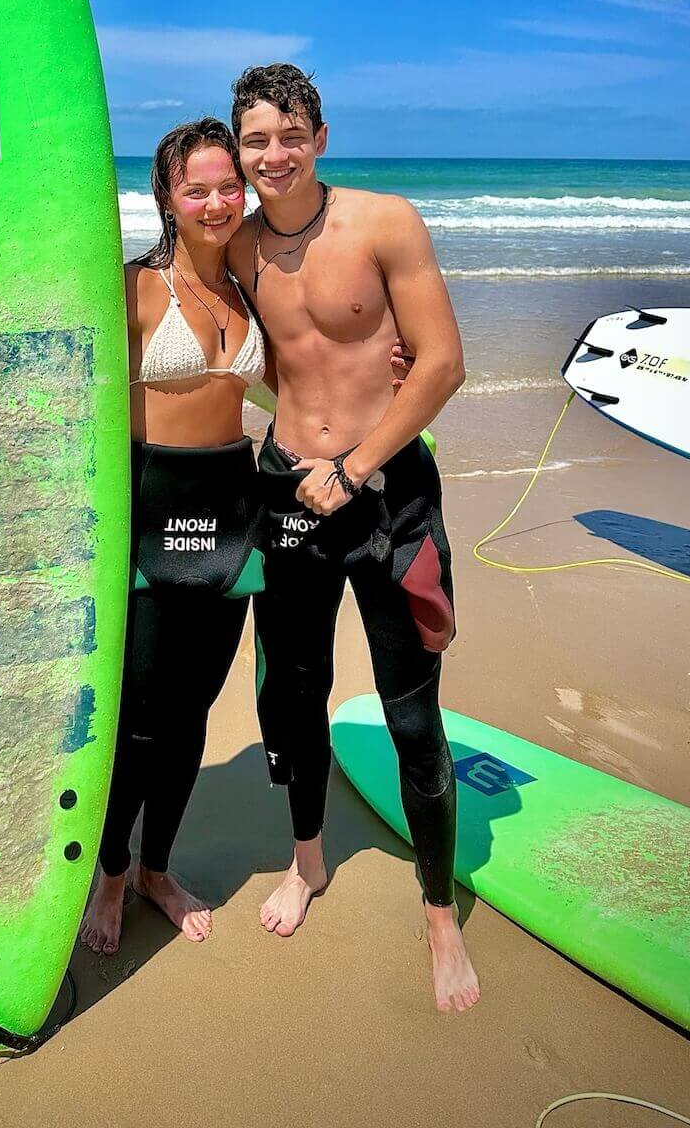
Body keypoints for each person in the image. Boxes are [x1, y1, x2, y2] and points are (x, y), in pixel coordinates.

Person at [225, 62, 480, 1014]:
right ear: (241, 149)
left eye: (291, 135)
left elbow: (443, 362)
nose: (274, 154)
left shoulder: (384, 222)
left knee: (413, 714)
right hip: (289, 489)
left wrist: (357, 461)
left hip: (387, 498)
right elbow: (224, 347)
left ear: (320, 138)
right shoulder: (238, 245)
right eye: (257, 140)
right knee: (294, 694)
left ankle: (439, 912)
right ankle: (308, 863)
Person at [80, 119, 268, 954]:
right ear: (166, 196)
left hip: (232, 507)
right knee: (140, 718)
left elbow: (296, 378)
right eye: (197, 189)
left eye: (229, 185)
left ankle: (158, 869)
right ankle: (111, 873)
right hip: (151, 507)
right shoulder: (131, 289)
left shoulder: (253, 287)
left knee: (194, 711)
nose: (217, 202)